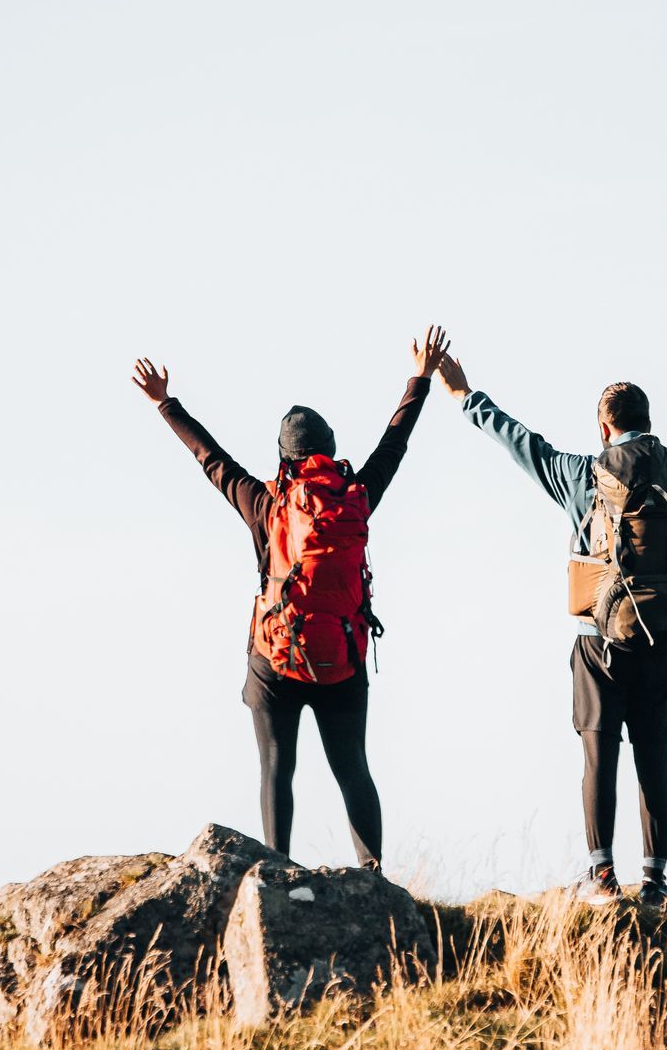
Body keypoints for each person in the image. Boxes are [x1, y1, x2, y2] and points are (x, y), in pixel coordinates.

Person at [435, 349, 667, 907]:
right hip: (659, 642)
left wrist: (464, 396)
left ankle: (602, 877)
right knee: (654, 761)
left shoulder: (580, 476)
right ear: (650, 425)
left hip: (597, 643)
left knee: (598, 752)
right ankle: (656, 884)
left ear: (603, 427)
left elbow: (519, 441)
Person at [132, 327, 450, 870]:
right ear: (329, 452)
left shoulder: (265, 503)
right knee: (353, 766)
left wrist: (167, 405)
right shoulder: (354, 498)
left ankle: (277, 873)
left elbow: (213, 460)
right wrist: (418, 379)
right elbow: (392, 445)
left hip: (275, 659)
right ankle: (372, 872)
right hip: (342, 657)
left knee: (277, 765)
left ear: (284, 457)